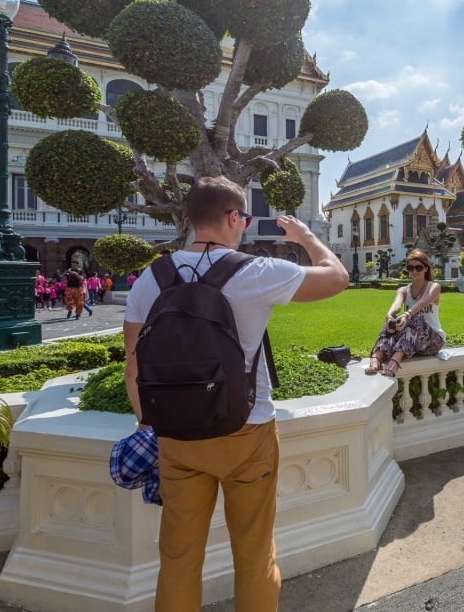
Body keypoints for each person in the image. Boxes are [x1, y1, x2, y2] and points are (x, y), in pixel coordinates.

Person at [123, 176, 348, 611]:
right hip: (247, 430)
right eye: (243, 218)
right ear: (232, 218)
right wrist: (303, 236)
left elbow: (133, 367)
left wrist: (151, 425)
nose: (244, 225)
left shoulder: (149, 280)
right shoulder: (254, 273)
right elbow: (336, 277)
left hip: (177, 440)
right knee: (254, 554)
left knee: (178, 560)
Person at [366, 249, 446, 378]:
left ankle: (395, 361)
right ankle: (377, 357)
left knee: (417, 318)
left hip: (432, 341)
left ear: (426, 268)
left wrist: (407, 314)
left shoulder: (433, 287)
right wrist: (389, 317)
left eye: (418, 267)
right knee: (392, 320)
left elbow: (422, 303)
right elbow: (396, 306)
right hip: (413, 342)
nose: (414, 271)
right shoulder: (403, 290)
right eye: (411, 268)